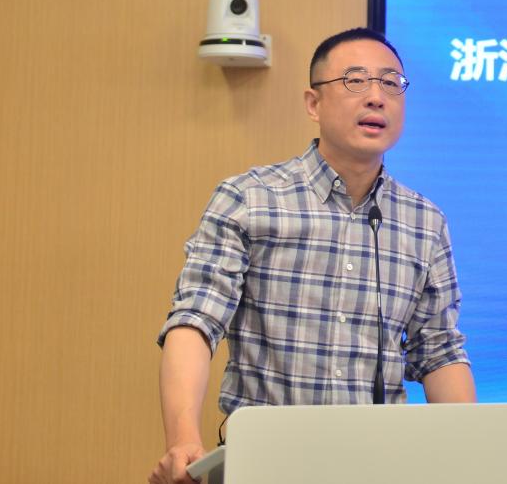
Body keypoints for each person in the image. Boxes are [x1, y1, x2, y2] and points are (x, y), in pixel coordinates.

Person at [148, 27, 476, 484]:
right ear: (313, 104)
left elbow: (438, 351)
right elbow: (196, 321)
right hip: (267, 462)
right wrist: (182, 439)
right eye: (355, 81)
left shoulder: (425, 222)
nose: (376, 97)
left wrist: (472, 456)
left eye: (391, 83)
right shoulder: (250, 199)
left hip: (382, 465)